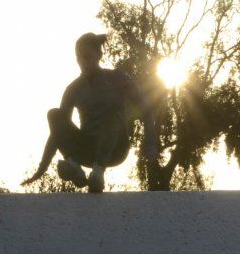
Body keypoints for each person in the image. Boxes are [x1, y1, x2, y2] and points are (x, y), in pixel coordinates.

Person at [21, 32, 156, 193]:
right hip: (86, 150)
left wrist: (150, 143)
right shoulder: (73, 89)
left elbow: (146, 109)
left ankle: (98, 172)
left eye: (86, 57)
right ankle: (74, 165)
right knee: (54, 114)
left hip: (116, 149)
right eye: (78, 58)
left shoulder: (117, 78)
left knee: (111, 114)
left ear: (99, 55)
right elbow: (58, 132)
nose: (82, 62)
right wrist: (41, 169)